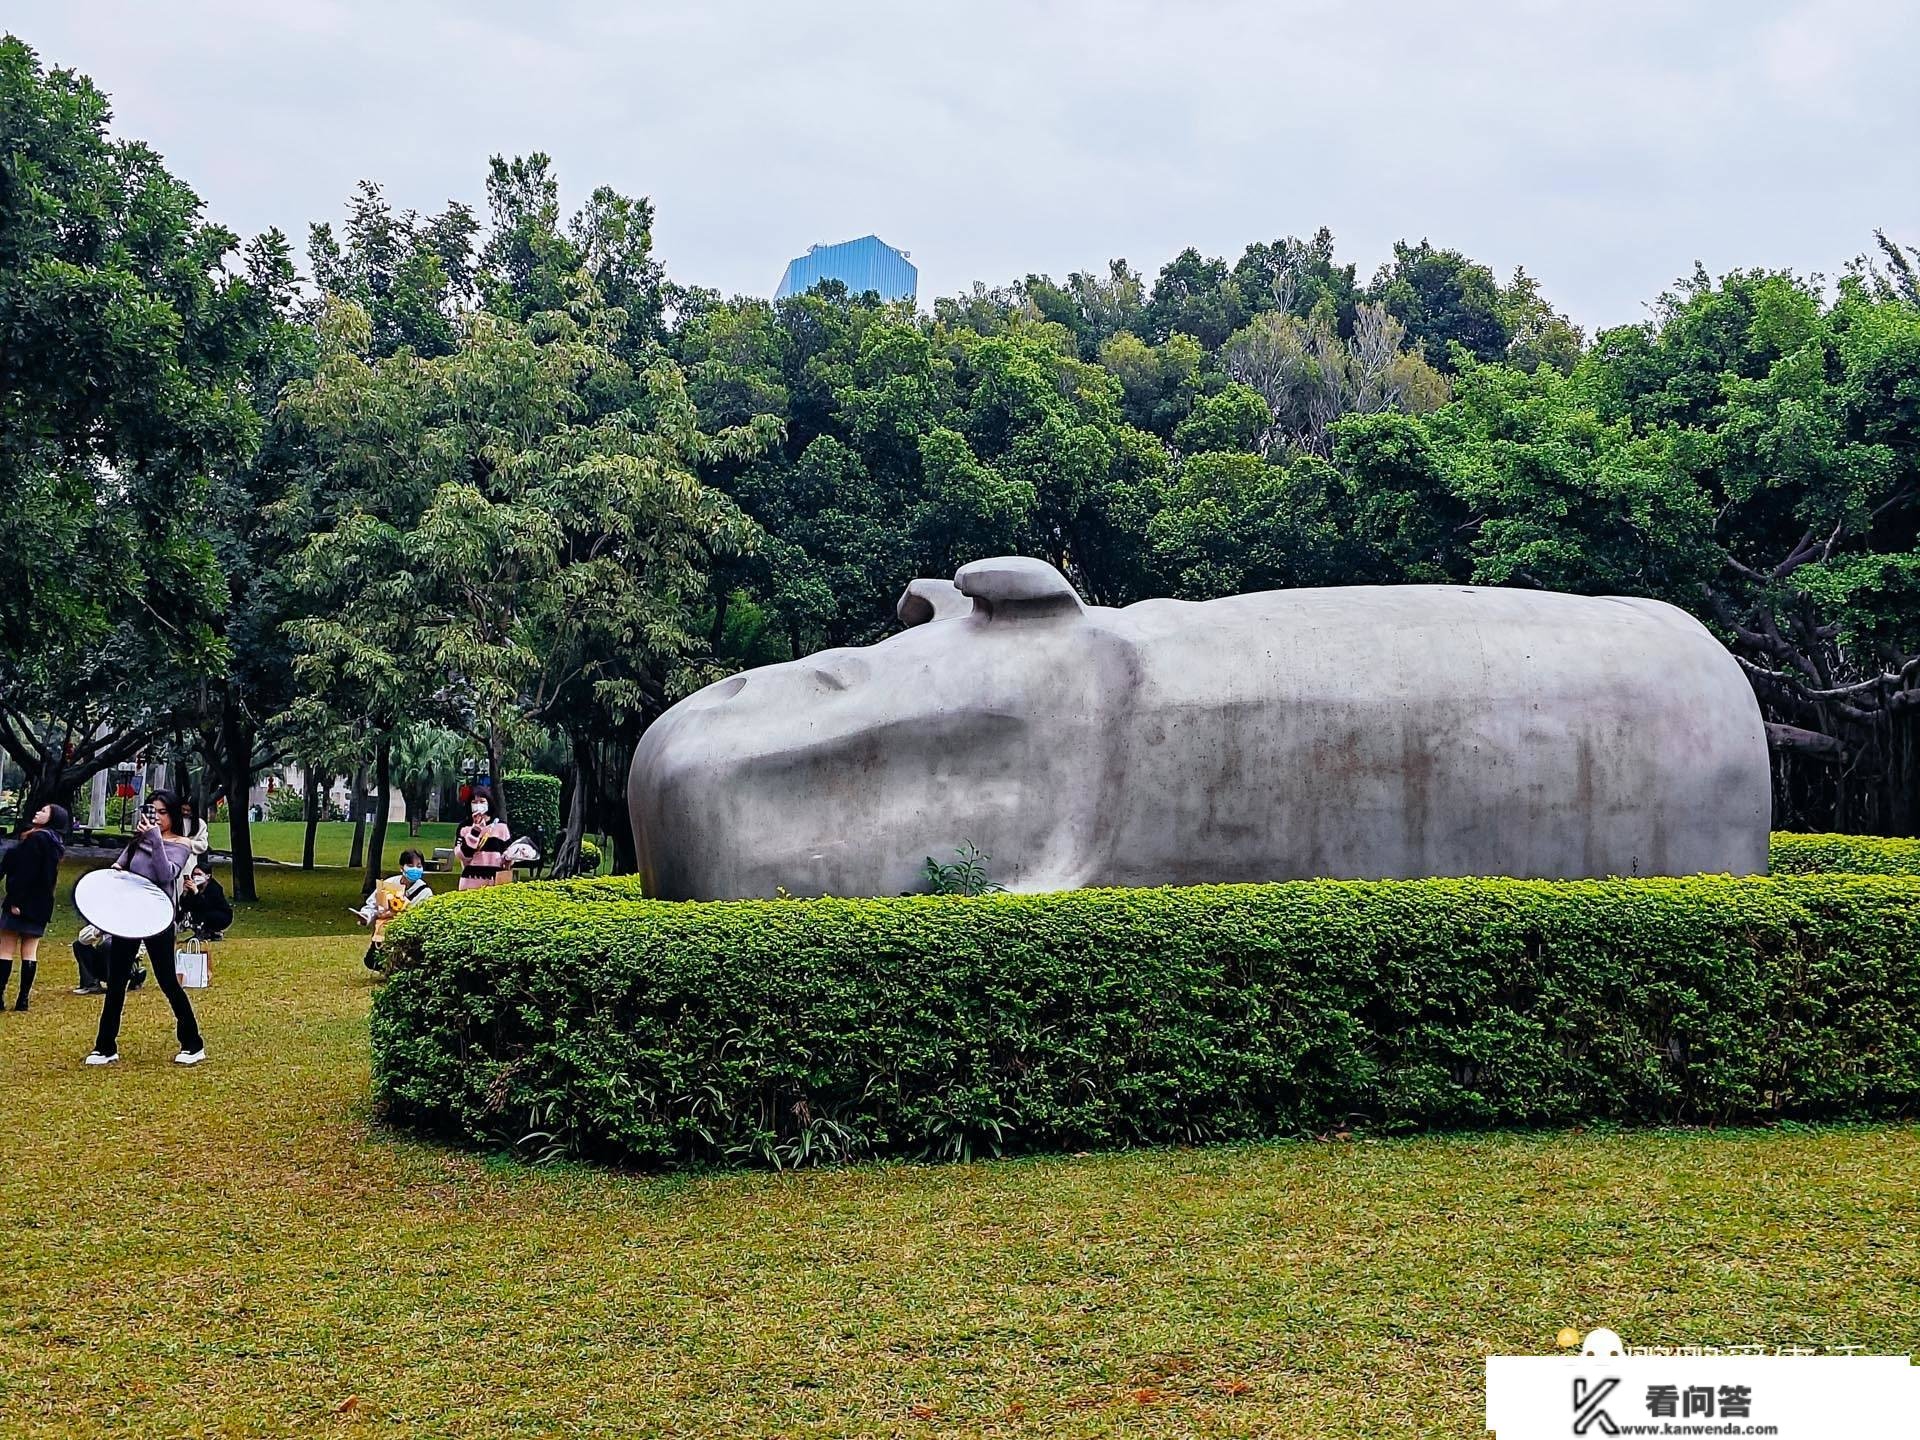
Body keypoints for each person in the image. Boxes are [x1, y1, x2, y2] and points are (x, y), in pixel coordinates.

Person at [86, 791, 206, 1067]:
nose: (157, 817)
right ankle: (105, 1046)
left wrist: (154, 838)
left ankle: (192, 1043)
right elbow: (121, 868)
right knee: (116, 981)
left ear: (173, 815)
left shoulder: (181, 844)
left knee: (166, 980)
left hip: (158, 918)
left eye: (162, 812)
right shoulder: (139, 839)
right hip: (129, 917)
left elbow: (166, 874)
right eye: (152, 811)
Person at [1, 803, 68, 1011]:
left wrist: (15, 900)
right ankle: (23, 999)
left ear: (53, 818)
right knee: (30, 951)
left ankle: (1, 996)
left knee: (5, 949)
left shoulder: (36, 839)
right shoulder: (55, 843)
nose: (38, 812)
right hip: (41, 904)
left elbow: (26, 873)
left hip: (23, 901)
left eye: (44, 811)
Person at [355, 848, 433, 971]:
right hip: (384, 931)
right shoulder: (390, 884)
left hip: (407, 935)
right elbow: (372, 904)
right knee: (372, 961)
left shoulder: (425, 892)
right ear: (402, 867)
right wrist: (366, 916)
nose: (415, 869)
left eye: (419, 866)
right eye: (410, 865)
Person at [454, 796, 513, 889]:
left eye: (482, 801)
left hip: (495, 879)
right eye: (474, 802)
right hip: (471, 879)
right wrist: (475, 830)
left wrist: (511, 857)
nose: (478, 805)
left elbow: (508, 852)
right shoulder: (464, 827)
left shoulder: (501, 826)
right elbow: (463, 855)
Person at [177, 866, 233, 941]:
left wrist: (196, 892)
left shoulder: (214, 888)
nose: (195, 877)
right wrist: (185, 892)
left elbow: (206, 905)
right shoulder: (194, 887)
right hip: (204, 913)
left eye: (199, 874)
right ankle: (210, 934)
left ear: (208, 876)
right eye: (194, 874)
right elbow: (184, 905)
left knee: (203, 914)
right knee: (184, 913)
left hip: (221, 916)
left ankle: (205, 932)